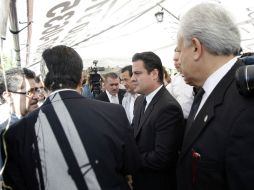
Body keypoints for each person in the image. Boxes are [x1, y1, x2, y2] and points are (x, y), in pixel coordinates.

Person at [2, 45, 140, 190]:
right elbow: (132, 165)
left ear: (43, 81)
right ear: (81, 78)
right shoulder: (114, 113)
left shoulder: (16, 133)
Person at [176, 3, 254, 190]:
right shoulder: (208, 91)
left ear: (196, 48)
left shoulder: (246, 108)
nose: (178, 59)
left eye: (180, 50)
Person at [131, 51, 184, 190]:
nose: (132, 79)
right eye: (132, 74)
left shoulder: (168, 108)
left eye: (137, 73)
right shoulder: (140, 100)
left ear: (154, 74)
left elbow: (162, 158)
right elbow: (133, 133)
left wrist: (130, 160)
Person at [166, 48, 194, 119]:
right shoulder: (175, 80)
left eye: (177, 60)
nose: (175, 63)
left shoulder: (196, 76)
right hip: (180, 121)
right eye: (174, 60)